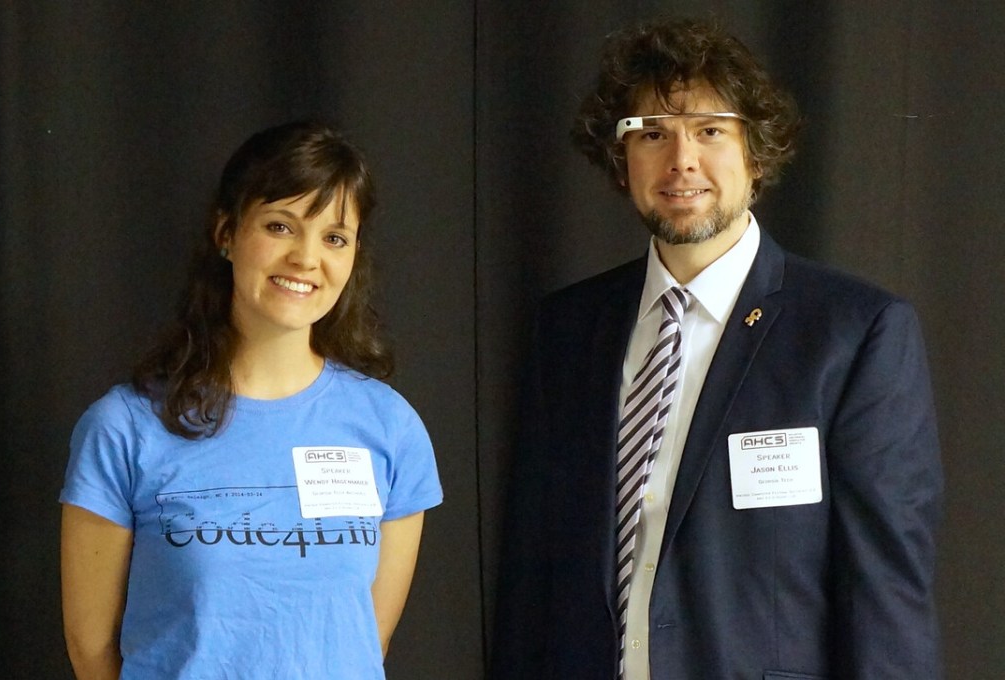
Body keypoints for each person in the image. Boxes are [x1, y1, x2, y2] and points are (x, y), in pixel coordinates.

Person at [492, 16, 942, 680]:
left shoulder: (853, 333)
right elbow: (531, 574)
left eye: (709, 131)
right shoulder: (566, 329)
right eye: (651, 134)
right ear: (621, 161)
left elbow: (885, 589)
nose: (681, 161)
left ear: (757, 152)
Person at [60, 121, 443, 680]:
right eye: (281, 226)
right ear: (226, 233)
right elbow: (90, 650)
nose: (306, 258)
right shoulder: (124, 428)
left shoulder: (389, 428)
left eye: (334, 238)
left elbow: (365, 641)